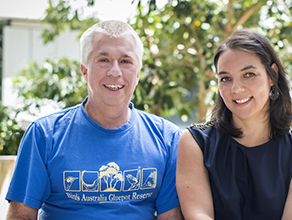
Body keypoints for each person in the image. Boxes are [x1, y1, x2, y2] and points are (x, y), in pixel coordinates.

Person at [6, 20, 183, 220]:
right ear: (84, 70)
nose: (115, 71)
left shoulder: (168, 139)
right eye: (103, 60)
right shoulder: (44, 135)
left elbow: (171, 217)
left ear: (138, 73)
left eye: (126, 61)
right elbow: (21, 216)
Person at [176, 29, 292, 220]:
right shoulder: (195, 142)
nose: (236, 89)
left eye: (249, 74)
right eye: (225, 79)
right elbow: (198, 215)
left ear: (272, 75)